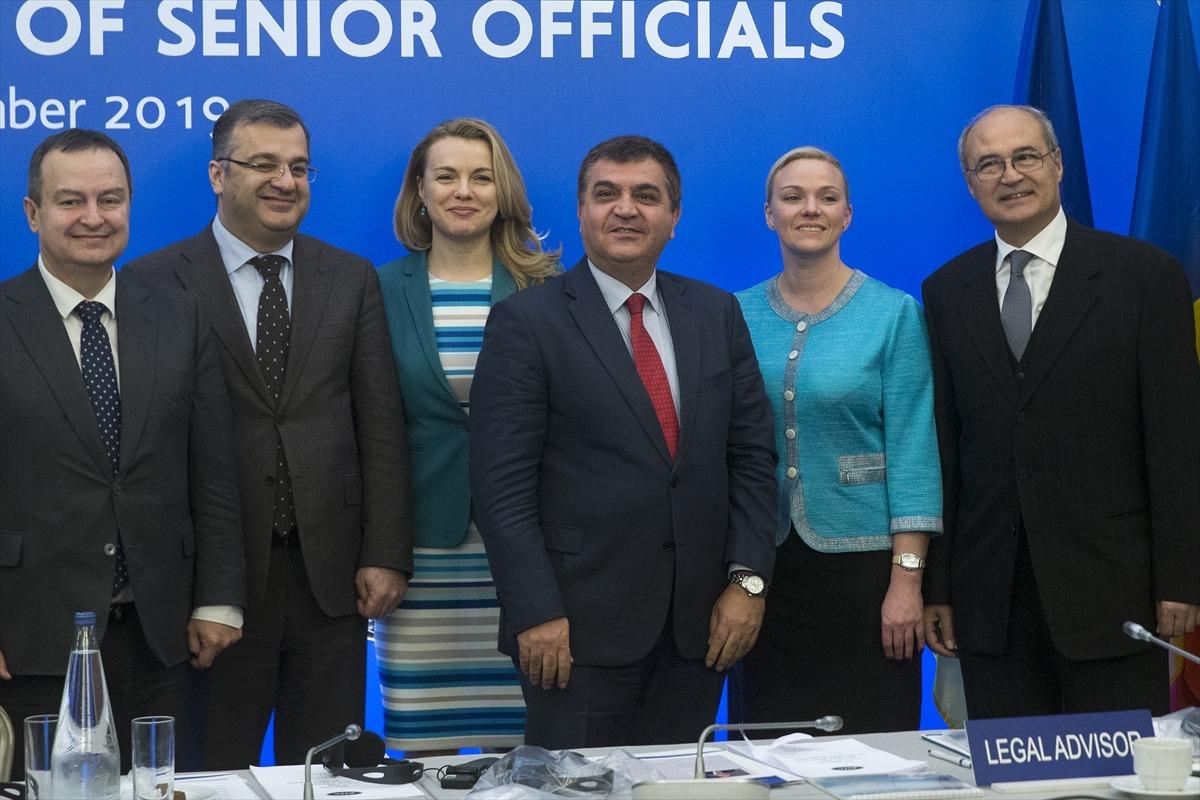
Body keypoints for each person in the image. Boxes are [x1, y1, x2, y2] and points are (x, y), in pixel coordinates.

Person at [123, 100, 413, 767]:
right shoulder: (151, 283)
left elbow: (381, 426)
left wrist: (386, 551)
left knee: (330, 770)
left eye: (300, 167)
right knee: (210, 767)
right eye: (265, 165)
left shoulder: (350, 277)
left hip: (331, 582)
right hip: (212, 585)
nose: (286, 181)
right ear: (218, 175)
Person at [469, 135, 777, 749]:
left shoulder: (715, 313)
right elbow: (500, 488)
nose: (626, 209)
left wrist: (748, 585)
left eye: (646, 195)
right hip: (573, 633)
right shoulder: (527, 322)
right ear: (581, 210)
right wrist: (534, 609)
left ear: (674, 217)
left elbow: (752, 459)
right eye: (605, 194)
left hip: (700, 630)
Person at [922, 104, 1200, 718]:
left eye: (1025, 156)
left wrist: (1181, 579)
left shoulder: (1146, 276)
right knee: (1008, 784)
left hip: (1114, 595)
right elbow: (944, 447)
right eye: (988, 164)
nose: (1009, 175)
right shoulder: (945, 291)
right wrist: (937, 585)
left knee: (1117, 779)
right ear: (970, 184)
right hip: (991, 600)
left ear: (1057, 165)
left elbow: (1178, 443)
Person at [0, 129, 245, 777]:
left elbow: (214, 469)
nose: (93, 217)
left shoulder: (180, 317)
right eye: (70, 200)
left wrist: (218, 598)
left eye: (110, 199)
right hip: (29, 632)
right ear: (33, 213)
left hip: (162, 634)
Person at [734, 147, 942, 734]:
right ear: (769, 213)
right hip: (761, 570)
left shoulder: (894, 313)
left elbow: (913, 448)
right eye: (793, 197)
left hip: (868, 578)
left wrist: (908, 580)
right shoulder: (733, 314)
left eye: (827, 197)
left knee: (872, 744)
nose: (811, 209)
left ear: (847, 214)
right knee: (768, 747)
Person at [373, 118, 558, 752]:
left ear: (502, 192)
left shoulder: (552, 291)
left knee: (526, 751)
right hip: (421, 558)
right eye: (446, 176)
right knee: (425, 749)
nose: (463, 191)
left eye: (481, 177)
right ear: (418, 191)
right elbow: (368, 432)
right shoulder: (376, 291)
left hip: (530, 561)